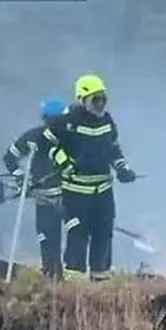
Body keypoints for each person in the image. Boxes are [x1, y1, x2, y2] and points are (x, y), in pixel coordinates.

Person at [42, 73, 138, 281]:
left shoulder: (107, 121)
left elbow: (114, 148)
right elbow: (47, 144)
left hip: (103, 190)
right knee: (78, 233)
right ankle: (75, 282)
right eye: (96, 99)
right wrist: (64, 162)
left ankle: (100, 279)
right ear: (82, 99)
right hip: (76, 192)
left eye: (103, 99)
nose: (100, 104)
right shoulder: (68, 121)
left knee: (104, 232)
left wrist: (122, 168)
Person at [2, 97, 68, 279]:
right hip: (43, 200)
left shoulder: (71, 139)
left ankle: (73, 276)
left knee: (77, 236)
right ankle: (52, 275)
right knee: (47, 237)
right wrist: (19, 175)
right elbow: (10, 158)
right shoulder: (33, 139)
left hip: (68, 199)